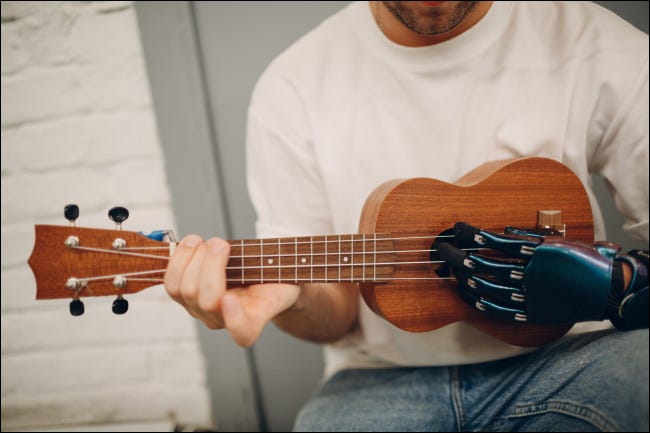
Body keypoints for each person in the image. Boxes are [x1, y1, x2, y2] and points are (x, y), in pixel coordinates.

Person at [164, 1, 649, 431]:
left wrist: (615, 283)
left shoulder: (602, 46)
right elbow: (333, 314)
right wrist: (293, 297)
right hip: (380, 380)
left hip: (570, 358)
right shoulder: (292, 86)